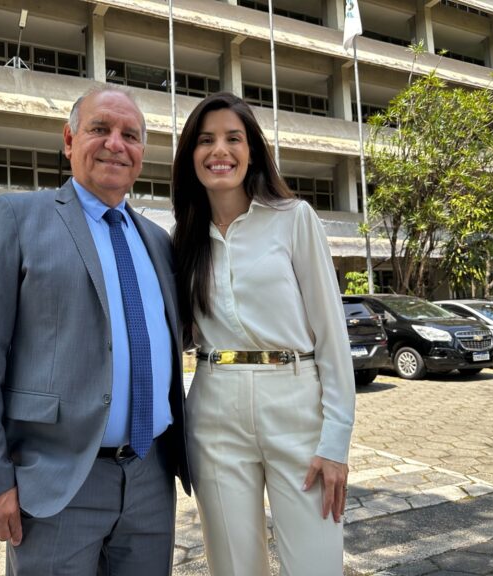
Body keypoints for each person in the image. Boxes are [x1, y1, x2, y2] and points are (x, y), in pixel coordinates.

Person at [0, 85, 190, 576]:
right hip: (56, 482)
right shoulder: (17, 217)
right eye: (100, 129)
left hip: (151, 477)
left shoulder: (157, 240)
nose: (115, 144)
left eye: (130, 135)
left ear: (142, 153)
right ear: (68, 140)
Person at [172, 92, 355, 576]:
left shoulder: (294, 218)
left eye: (233, 138)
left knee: (316, 566)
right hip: (214, 408)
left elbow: (332, 336)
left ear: (251, 150)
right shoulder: (184, 236)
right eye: (206, 140)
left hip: (296, 403)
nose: (220, 150)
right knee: (233, 567)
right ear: (191, 155)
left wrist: (336, 442)